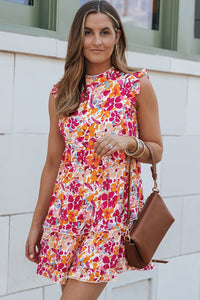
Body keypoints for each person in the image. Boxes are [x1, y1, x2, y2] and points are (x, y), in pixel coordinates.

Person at [25, 1, 163, 299]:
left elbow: (156, 150)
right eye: (88, 32)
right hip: (66, 215)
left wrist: (129, 142)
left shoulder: (136, 84)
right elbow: (52, 163)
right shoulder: (61, 92)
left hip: (108, 217)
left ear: (117, 37)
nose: (96, 41)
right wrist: (36, 225)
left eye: (105, 32)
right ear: (78, 38)